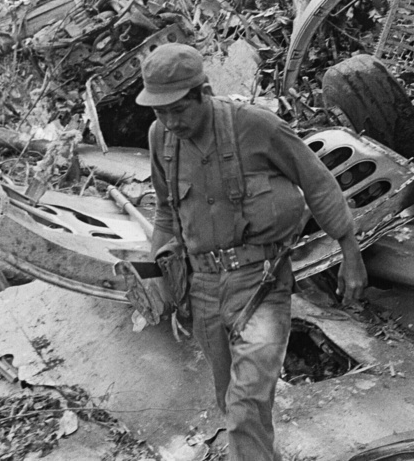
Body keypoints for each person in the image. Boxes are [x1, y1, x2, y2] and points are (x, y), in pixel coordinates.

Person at [138, 44, 367, 461]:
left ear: (202, 92)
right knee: (234, 403)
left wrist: (349, 249)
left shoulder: (257, 126)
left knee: (245, 405)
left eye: (178, 110)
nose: (170, 122)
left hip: (261, 282)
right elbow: (166, 211)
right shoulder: (161, 139)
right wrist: (158, 274)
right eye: (160, 112)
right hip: (202, 286)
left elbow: (316, 182)